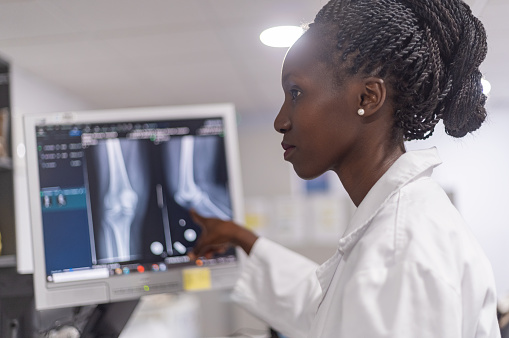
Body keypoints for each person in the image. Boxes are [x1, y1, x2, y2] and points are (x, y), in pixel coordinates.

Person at [188, 0, 501, 337]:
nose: (280, 121)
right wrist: (242, 239)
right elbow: (322, 308)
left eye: (296, 93)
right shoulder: (396, 226)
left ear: (367, 98)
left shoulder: (397, 249)